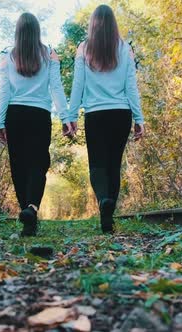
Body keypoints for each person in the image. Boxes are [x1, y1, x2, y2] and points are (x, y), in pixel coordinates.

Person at [68, 4, 145, 234]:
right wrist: (139, 118)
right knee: (114, 165)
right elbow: (131, 87)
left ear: (93, 24)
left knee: (98, 165)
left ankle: (103, 200)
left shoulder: (84, 48)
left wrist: (71, 116)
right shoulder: (125, 49)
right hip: (121, 114)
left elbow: (77, 85)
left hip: (95, 114)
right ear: (113, 24)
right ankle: (108, 218)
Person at [0, 12, 75, 237]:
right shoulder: (49, 55)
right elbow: (56, 88)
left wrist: (0, 121)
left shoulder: (8, 57)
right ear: (37, 31)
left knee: (18, 166)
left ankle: (27, 213)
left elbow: (4, 92)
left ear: (18, 32)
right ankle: (31, 208)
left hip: (15, 115)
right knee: (38, 164)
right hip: (39, 115)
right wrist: (65, 117)